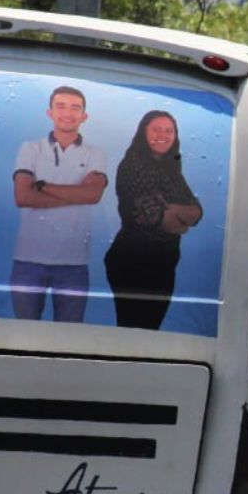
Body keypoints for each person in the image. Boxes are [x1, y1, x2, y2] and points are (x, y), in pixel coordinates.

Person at [9, 86, 110, 322]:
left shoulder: (95, 153)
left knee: (68, 339)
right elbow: (23, 197)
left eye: (75, 108)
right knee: (24, 336)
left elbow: (93, 196)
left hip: (74, 263)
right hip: (28, 261)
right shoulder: (30, 148)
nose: (68, 113)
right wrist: (77, 192)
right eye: (60, 106)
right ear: (50, 113)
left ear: (84, 116)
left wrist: (43, 186)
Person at [104, 111, 202, 330]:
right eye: (156, 129)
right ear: (143, 132)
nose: (163, 135)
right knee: (134, 334)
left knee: (150, 333)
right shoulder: (133, 164)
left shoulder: (171, 167)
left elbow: (197, 213)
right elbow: (165, 221)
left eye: (169, 130)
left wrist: (173, 208)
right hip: (133, 263)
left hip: (164, 264)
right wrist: (178, 212)